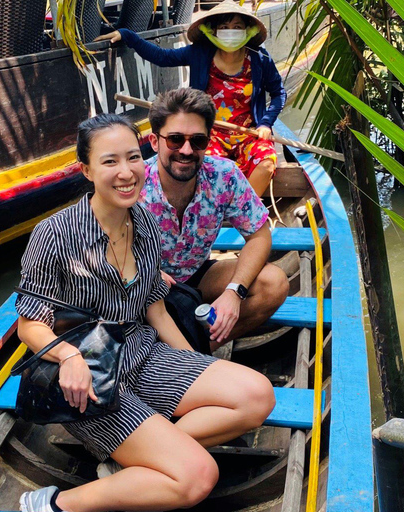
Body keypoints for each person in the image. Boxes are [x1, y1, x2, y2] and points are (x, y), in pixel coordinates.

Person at [16, 113, 275, 512]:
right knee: (197, 477)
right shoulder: (54, 234)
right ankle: (55, 504)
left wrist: (192, 363)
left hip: (144, 354)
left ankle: (139, 457)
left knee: (257, 396)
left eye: (133, 158)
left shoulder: (145, 225)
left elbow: (154, 307)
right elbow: (30, 323)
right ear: (86, 170)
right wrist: (68, 356)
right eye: (109, 162)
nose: (126, 172)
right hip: (92, 379)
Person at [139, 88, 289, 351]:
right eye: (175, 139)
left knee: (274, 283)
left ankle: (199, 348)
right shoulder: (134, 182)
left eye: (197, 141)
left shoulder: (224, 175)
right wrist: (146, 274)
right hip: (145, 284)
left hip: (197, 274)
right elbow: (103, 248)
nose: (186, 150)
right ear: (154, 141)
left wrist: (234, 291)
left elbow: (259, 235)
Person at [97, 0, 287, 196]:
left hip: (250, 134)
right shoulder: (200, 53)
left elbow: (279, 93)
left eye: (237, 27)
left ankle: (246, 210)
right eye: (224, 27)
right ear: (213, 31)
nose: (231, 32)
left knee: (265, 163)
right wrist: (127, 35)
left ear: (248, 30)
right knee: (204, 168)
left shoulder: (260, 58)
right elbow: (162, 57)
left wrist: (265, 123)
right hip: (208, 135)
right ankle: (215, 209)